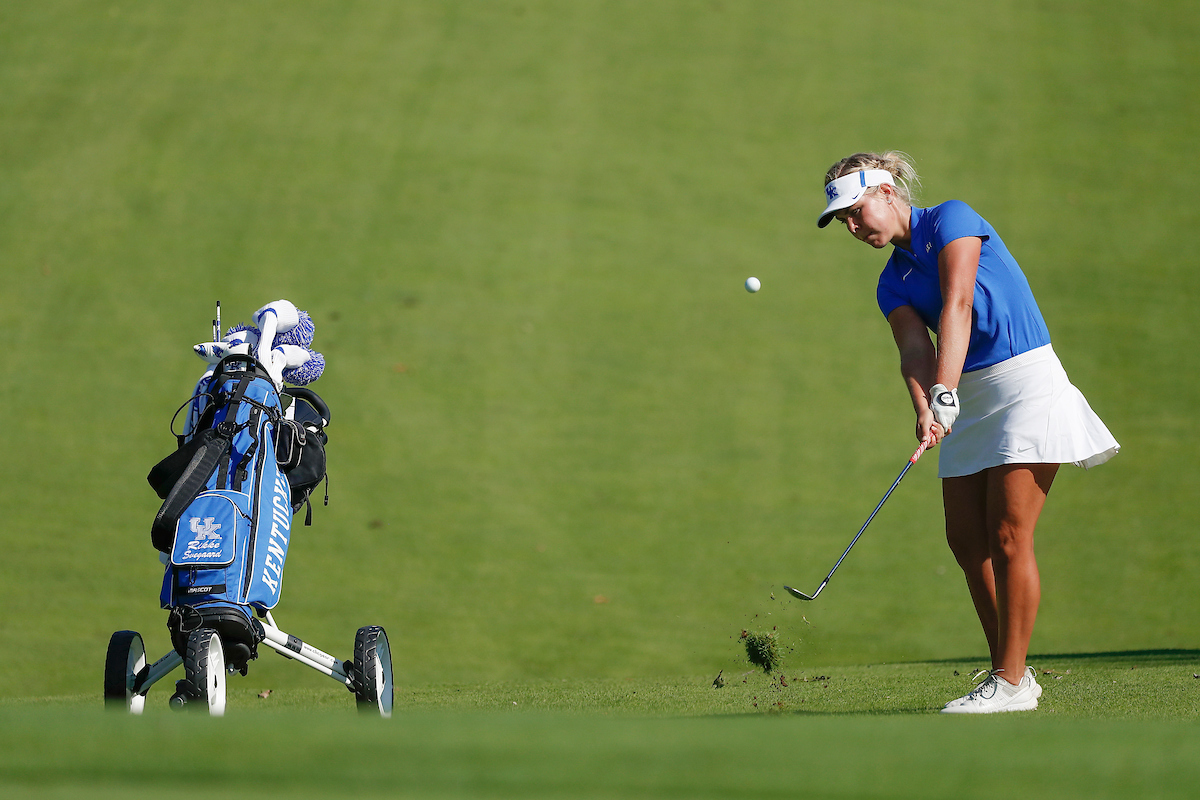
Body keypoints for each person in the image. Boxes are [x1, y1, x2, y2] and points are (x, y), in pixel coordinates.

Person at [817, 151, 1119, 714]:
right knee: (964, 538)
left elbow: (957, 304)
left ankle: (1009, 681)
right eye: (843, 221)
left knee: (1008, 534)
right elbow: (914, 348)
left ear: (887, 192)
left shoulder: (951, 218)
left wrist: (944, 391)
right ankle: (1012, 673)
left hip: (1024, 383)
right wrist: (925, 407)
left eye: (856, 212)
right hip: (963, 396)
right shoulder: (890, 282)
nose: (853, 227)